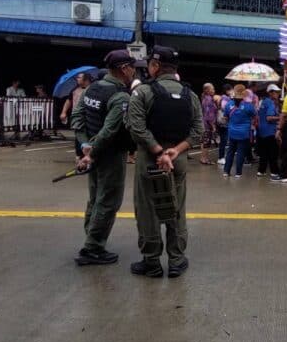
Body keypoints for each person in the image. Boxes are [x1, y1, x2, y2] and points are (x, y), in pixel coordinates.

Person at [126, 46, 203, 279]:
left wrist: (159, 152)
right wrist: (174, 151)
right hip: (177, 160)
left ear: (155, 66)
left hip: (150, 160)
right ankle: (176, 260)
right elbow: (198, 130)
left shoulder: (142, 92)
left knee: (148, 209)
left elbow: (136, 128)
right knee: (176, 207)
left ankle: (152, 262)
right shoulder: (191, 95)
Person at [70, 50, 136, 266]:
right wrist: (92, 152)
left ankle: (91, 237)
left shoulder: (92, 88)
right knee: (108, 201)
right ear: (124, 69)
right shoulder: (120, 96)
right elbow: (109, 130)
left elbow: (77, 117)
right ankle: (93, 247)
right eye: (132, 67)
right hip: (110, 154)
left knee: (95, 198)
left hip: (93, 152)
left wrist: (85, 146)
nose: (134, 71)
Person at [223, 86, 256, 178]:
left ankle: (226, 171)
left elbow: (225, 117)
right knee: (240, 152)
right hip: (244, 133)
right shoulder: (249, 105)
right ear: (244, 93)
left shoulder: (229, 104)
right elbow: (254, 116)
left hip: (232, 132)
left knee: (230, 152)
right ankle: (238, 173)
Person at [257, 84, 282, 180]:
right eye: (276, 92)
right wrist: (280, 117)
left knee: (263, 153)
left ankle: (261, 171)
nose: (278, 94)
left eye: (278, 92)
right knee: (273, 153)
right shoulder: (271, 103)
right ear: (270, 93)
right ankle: (274, 172)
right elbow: (269, 118)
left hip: (262, 131)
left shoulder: (263, 102)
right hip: (270, 131)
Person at [199, 83, 218, 165]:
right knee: (206, 142)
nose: (214, 90)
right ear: (207, 90)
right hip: (207, 124)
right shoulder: (209, 99)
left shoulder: (205, 98)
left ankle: (203, 158)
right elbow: (209, 115)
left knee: (204, 141)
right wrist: (213, 126)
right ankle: (204, 159)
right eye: (212, 89)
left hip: (204, 123)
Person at [217, 84, 234, 165]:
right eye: (231, 89)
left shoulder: (224, 98)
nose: (232, 91)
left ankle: (222, 156)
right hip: (224, 122)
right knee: (223, 140)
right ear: (227, 90)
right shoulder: (224, 98)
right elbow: (225, 108)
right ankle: (221, 157)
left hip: (223, 122)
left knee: (224, 140)